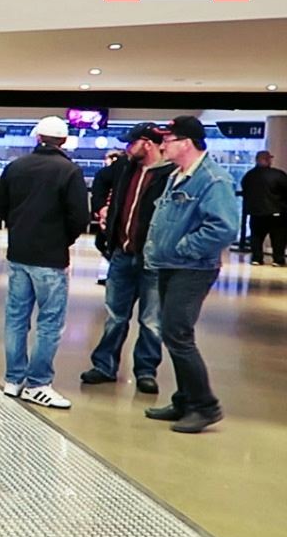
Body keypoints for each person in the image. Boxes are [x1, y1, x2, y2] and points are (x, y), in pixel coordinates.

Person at [142, 116, 239, 433]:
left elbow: (223, 228)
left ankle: (205, 405)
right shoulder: (177, 175)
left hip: (192, 268)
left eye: (168, 140)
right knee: (174, 334)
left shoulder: (213, 180)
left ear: (186, 143)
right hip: (171, 265)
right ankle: (184, 400)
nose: (163, 145)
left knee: (177, 334)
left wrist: (185, 247)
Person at [0, 116, 90, 409]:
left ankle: (13, 379)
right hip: (50, 258)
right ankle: (38, 383)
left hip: (19, 254)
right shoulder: (69, 171)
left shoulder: (16, 167)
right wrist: (62, 239)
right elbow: (79, 218)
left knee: (16, 318)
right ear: (64, 141)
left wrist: (19, 225)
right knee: (49, 322)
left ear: (37, 138)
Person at [80, 123, 172, 394]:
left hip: (153, 259)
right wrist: (102, 208)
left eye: (130, 143)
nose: (126, 148)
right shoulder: (125, 169)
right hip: (122, 254)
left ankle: (146, 371)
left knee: (151, 320)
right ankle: (104, 365)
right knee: (115, 315)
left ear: (146, 143)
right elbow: (101, 181)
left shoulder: (170, 175)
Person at [240, 150, 287, 266]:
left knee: (256, 237)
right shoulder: (278, 175)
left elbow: (245, 191)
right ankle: (278, 259)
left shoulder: (249, 176)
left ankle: (257, 258)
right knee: (278, 238)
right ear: (268, 160)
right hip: (276, 213)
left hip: (255, 213)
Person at [91, 149, 127, 285]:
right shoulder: (107, 176)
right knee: (103, 243)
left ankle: (113, 271)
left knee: (105, 243)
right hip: (108, 216)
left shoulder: (116, 174)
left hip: (113, 218)